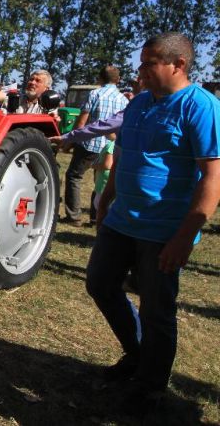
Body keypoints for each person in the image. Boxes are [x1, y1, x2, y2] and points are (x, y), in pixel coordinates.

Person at [87, 33, 220, 415]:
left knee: (157, 309)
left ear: (178, 65)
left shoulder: (201, 107)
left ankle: (150, 386)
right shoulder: (140, 103)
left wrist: (185, 236)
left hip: (164, 229)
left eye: (149, 63)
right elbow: (127, 153)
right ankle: (137, 353)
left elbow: (213, 177)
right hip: (122, 219)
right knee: (100, 283)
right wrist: (107, 199)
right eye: (141, 63)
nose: (141, 70)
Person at [63, 65, 128, 225]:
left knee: (74, 176)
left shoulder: (94, 94)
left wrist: (70, 141)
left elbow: (82, 122)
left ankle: (74, 216)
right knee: (100, 181)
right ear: (118, 80)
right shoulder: (124, 100)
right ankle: (95, 216)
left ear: (99, 78)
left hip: (89, 144)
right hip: (110, 147)